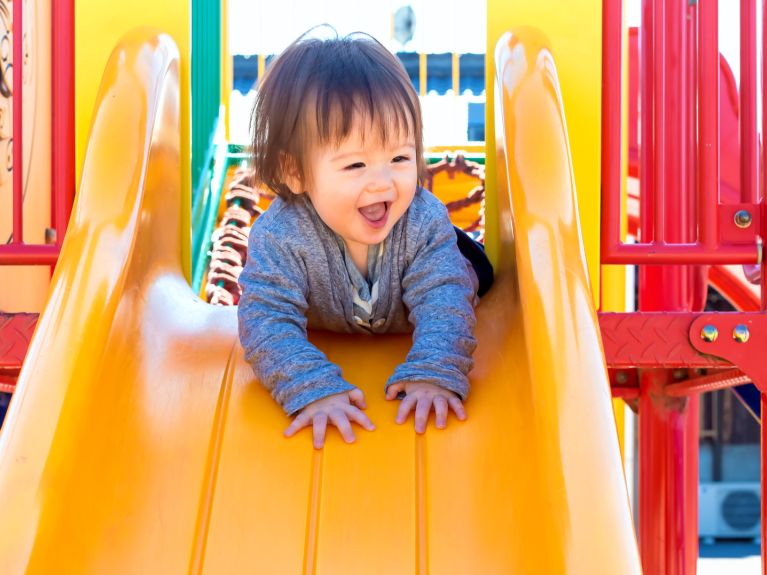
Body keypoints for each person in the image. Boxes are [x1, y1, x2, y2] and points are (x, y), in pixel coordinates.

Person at [238, 29, 493, 449]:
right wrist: (310, 386)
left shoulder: (422, 221)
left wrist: (435, 370)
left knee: (458, 277)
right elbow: (264, 319)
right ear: (295, 172)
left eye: (399, 158)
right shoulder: (281, 237)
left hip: (438, 281)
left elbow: (443, 299)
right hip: (332, 335)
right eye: (355, 164)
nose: (383, 183)